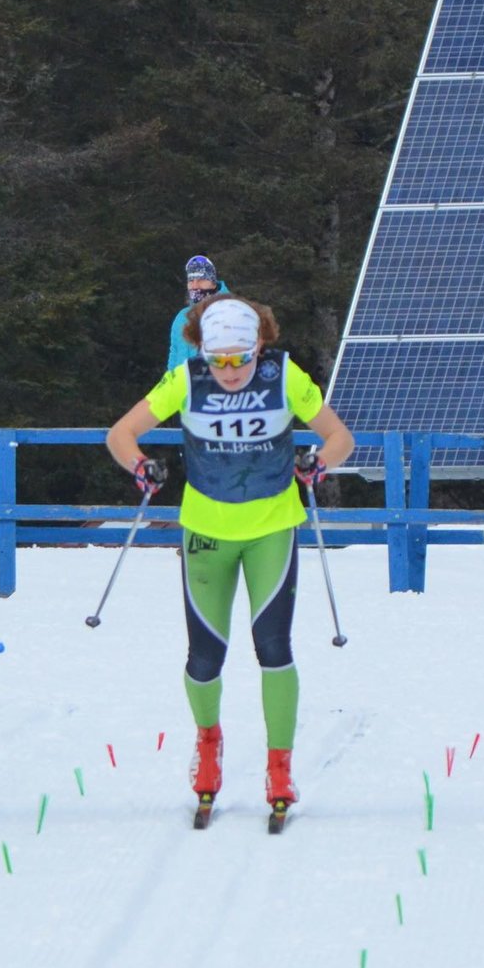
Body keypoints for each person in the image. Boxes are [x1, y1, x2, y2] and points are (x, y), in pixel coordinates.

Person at [106, 295, 354, 826]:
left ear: (259, 344)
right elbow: (120, 434)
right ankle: (209, 743)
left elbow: (340, 437)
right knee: (204, 659)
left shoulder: (285, 376)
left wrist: (317, 462)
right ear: (202, 350)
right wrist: (140, 465)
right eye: (219, 360)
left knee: (273, 647)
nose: (230, 371)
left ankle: (280, 767)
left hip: (271, 529)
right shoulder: (186, 378)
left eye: (240, 359)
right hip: (206, 532)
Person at [166, 254, 227, 372]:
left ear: (212, 282)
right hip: (183, 387)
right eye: (191, 281)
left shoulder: (231, 311)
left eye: (201, 280)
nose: (195, 286)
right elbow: (174, 356)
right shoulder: (182, 317)